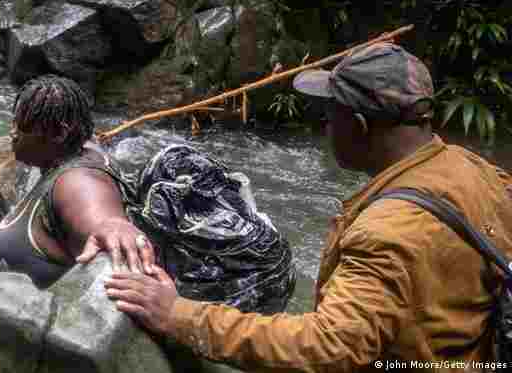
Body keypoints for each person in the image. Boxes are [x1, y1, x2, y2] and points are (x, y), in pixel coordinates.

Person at [103, 43, 512, 372]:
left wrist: (178, 315)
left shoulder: (387, 234)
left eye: (330, 116)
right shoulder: (476, 170)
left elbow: (326, 349)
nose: (326, 127)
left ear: (359, 124)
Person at [0, 75, 152, 289]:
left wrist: (114, 226)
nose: (13, 133)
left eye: (23, 126)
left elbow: (103, 219)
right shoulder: (83, 148)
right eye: (15, 122)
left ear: (59, 133)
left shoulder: (76, 182)